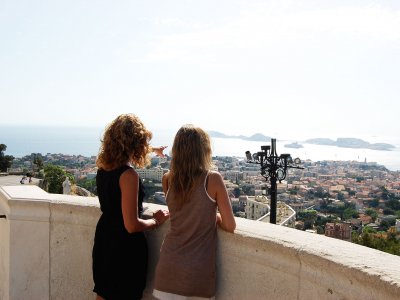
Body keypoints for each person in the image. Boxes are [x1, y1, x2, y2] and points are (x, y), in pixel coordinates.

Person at [153, 124, 236, 300]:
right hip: (196, 276)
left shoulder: (167, 179)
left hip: (167, 270)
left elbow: (181, 214)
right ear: (204, 149)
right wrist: (214, 216)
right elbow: (230, 226)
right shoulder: (212, 179)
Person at [92, 114, 170, 300]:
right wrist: (155, 221)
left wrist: (154, 149)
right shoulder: (128, 175)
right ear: (135, 143)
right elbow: (131, 225)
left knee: (103, 292)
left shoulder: (104, 168)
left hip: (104, 240)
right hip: (124, 250)